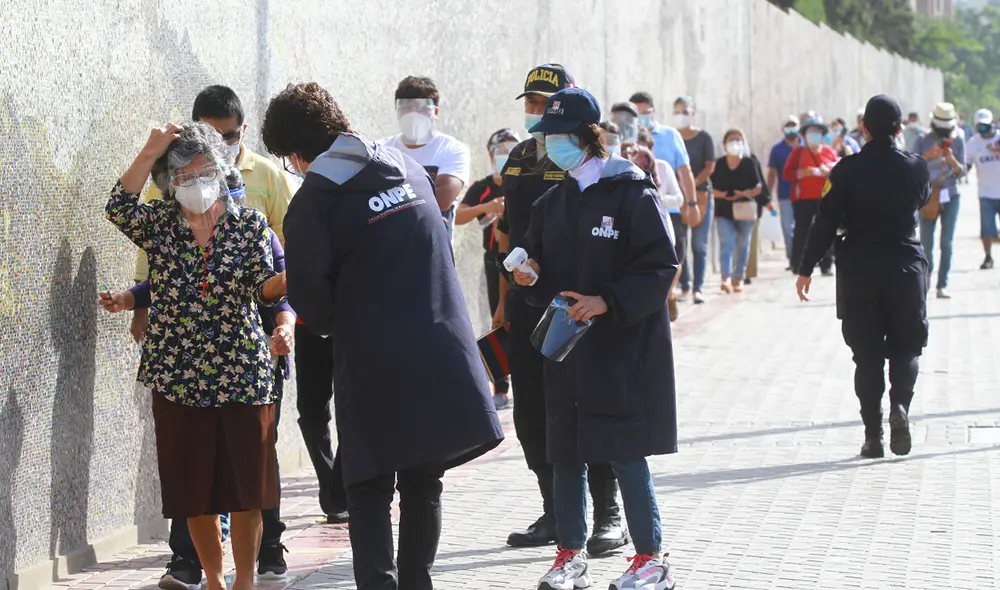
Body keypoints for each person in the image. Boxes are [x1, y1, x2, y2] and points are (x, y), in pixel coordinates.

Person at [261, 82, 503, 590]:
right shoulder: (408, 169)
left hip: (372, 362)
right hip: (441, 349)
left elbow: (311, 303)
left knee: (369, 485)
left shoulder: (314, 203)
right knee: (422, 479)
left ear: (298, 153)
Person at [121, 86, 295, 588]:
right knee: (191, 490)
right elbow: (118, 204)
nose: (196, 182)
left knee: (246, 489)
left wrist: (296, 282)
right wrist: (151, 149)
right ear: (168, 183)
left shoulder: (249, 227)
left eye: (204, 171)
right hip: (177, 376)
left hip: (243, 373)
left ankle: (243, 581)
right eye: (183, 175)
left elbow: (266, 289)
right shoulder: (159, 226)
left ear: (221, 172)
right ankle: (214, 580)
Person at [514, 87, 678, 590]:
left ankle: (651, 560)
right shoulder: (552, 202)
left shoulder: (633, 192)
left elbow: (660, 265)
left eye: (557, 137)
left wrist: (608, 300)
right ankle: (569, 556)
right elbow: (540, 268)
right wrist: (529, 276)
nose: (549, 147)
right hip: (567, 349)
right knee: (565, 452)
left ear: (586, 137)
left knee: (625, 450)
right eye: (545, 138)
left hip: (619, 349)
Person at [493, 64, 628, 555]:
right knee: (533, 415)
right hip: (531, 302)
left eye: (543, 102)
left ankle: (609, 514)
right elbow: (509, 231)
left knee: (590, 411)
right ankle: (555, 510)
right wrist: (505, 299)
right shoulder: (519, 159)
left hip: (581, 306)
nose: (536, 111)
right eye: (529, 101)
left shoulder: (600, 166)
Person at [795, 94, 930, 459]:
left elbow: (823, 222)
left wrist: (806, 269)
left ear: (864, 129)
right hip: (905, 267)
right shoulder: (916, 167)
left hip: (858, 272)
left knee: (867, 357)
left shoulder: (844, 170)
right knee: (907, 347)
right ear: (900, 129)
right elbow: (921, 200)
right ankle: (900, 405)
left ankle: (873, 436)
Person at [456, 128, 519, 410]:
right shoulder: (484, 186)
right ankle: (501, 387)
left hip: (522, 260)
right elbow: (457, 215)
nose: (506, 156)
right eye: (502, 151)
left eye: (512, 150)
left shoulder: (523, 182)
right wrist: (488, 207)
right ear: (491, 154)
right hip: (494, 261)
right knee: (497, 319)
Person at [379, 76, 471, 244]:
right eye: (407, 107)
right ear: (398, 111)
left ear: (435, 112)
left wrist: (389, 199)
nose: (414, 114)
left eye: (421, 108)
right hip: (388, 254)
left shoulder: (452, 150)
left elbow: (442, 199)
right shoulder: (381, 149)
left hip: (432, 256)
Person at [630, 91, 700, 302]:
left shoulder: (670, 136)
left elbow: (685, 171)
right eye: (636, 112)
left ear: (653, 111)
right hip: (636, 211)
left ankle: (669, 294)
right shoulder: (628, 139)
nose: (641, 115)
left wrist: (692, 202)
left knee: (675, 255)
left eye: (644, 111)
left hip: (669, 210)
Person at [915, 102, 967, 299]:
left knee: (947, 242)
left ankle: (942, 284)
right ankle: (925, 281)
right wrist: (929, 155)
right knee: (926, 243)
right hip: (928, 196)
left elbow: (962, 172)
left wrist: (951, 158)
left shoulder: (959, 138)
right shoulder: (923, 139)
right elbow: (911, 163)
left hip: (951, 195)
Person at [711, 129, 771, 292]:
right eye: (731, 140)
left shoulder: (749, 163)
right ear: (724, 145)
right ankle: (726, 278)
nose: (735, 143)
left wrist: (743, 193)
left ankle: (739, 277)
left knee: (743, 244)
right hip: (723, 210)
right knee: (727, 243)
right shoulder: (719, 164)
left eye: (738, 140)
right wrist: (723, 195)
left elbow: (758, 187)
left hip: (745, 210)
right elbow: (710, 188)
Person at [637, 128, 686, 321]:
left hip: (661, 227)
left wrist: (658, 199)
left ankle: (667, 298)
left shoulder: (663, 168)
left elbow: (678, 198)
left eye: (644, 148)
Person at [672, 96, 716, 301]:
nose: (681, 115)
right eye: (677, 111)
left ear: (693, 113)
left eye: (685, 111)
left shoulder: (704, 137)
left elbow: (710, 165)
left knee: (699, 244)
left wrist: (693, 183)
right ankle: (685, 285)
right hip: (678, 197)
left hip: (701, 196)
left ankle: (698, 287)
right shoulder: (672, 137)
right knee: (680, 242)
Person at [784, 116, 839, 276]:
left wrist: (828, 170)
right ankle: (798, 264)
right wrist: (802, 173)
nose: (814, 135)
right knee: (802, 230)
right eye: (810, 132)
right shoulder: (798, 153)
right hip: (803, 198)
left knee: (826, 230)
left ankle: (826, 264)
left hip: (825, 197)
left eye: (817, 132)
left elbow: (839, 167)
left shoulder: (829, 152)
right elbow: (787, 173)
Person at [966, 109, 1000, 269]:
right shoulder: (973, 143)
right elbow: (966, 164)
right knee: (986, 229)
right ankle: (988, 257)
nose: (983, 129)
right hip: (986, 192)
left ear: (992, 124)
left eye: (985, 125)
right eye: (980, 126)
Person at [767, 115, 802, 269]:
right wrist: (768, 194)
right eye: (788, 125)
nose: (791, 128)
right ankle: (793, 258)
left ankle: (804, 257)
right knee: (788, 228)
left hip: (806, 194)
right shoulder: (777, 149)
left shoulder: (806, 146)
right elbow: (772, 173)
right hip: (785, 194)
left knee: (804, 226)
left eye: (793, 125)